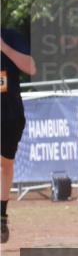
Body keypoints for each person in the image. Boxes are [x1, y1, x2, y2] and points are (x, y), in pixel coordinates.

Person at [1, 27, 36, 244]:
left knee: (5, 165)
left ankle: (1, 216)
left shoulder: (11, 37)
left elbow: (31, 67)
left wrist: (4, 48)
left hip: (9, 116)